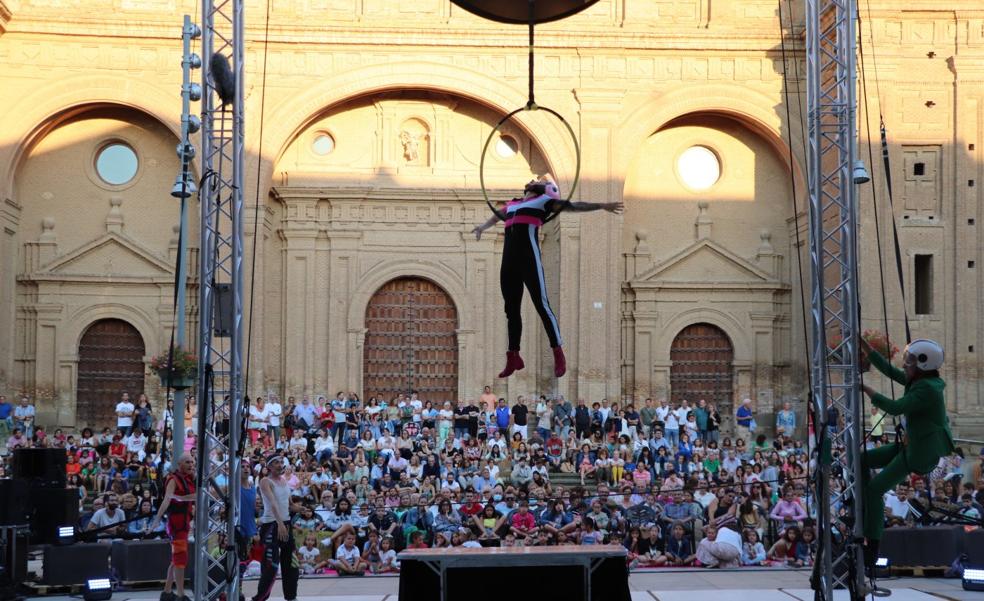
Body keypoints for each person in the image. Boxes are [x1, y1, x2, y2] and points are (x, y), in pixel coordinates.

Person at [471, 176, 623, 378]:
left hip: (529, 259)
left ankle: (558, 352)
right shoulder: (514, 204)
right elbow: (498, 215)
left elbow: (575, 206)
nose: (533, 180)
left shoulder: (545, 202)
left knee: (542, 306)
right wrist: (482, 227)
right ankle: (513, 356)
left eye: (537, 180)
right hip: (509, 262)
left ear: (544, 189)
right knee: (511, 311)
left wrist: (601, 205)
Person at [858, 338, 954, 567]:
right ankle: (863, 509)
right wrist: (866, 348)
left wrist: (865, 388)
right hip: (911, 446)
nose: (904, 366)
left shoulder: (927, 390)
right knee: (861, 460)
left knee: (874, 490)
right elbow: (890, 371)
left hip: (920, 454)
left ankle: (872, 543)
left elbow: (895, 408)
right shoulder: (920, 383)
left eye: (908, 363)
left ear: (922, 365)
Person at [253, 456, 303, 601]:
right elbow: (273, 503)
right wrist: (280, 523)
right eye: (276, 463)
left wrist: (300, 509)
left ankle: (291, 597)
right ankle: (260, 598)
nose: (280, 465)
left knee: (292, 564)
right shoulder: (265, 481)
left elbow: (289, 504)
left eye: (282, 462)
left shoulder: (285, 482)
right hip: (271, 525)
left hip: (285, 524)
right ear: (269, 466)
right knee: (271, 567)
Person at [149, 453, 196, 601]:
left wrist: (184, 499)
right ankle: (181, 594)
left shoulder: (190, 479)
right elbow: (167, 500)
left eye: (192, 462)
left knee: (176, 558)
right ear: (179, 464)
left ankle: (167, 592)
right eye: (187, 462)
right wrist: (156, 519)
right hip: (176, 524)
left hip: (185, 522)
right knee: (180, 557)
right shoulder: (173, 479)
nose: (191, 465)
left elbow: (197, 496)